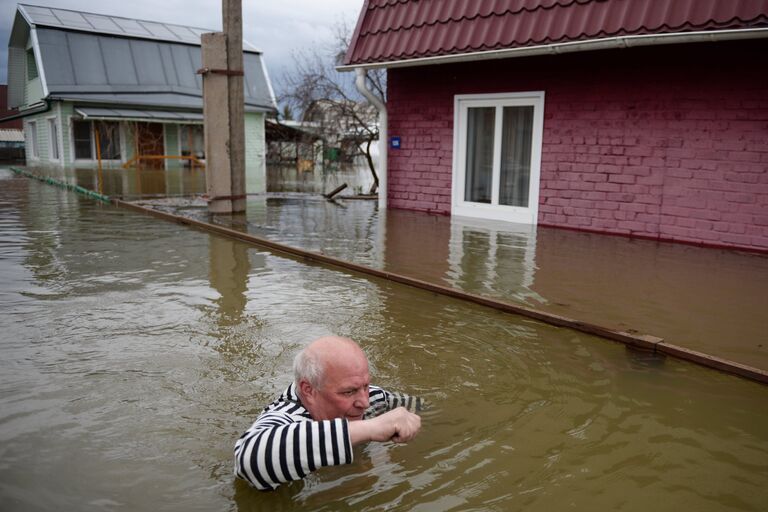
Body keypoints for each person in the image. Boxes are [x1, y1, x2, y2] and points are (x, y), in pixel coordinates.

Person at [234, 335, 422, 491]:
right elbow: (249, 461)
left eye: (365, 386)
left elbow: (430, 409)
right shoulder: (288, 413)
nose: (364, 402)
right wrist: (370, 429)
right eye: (348, 392)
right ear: (308, 390)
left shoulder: (374, 396)